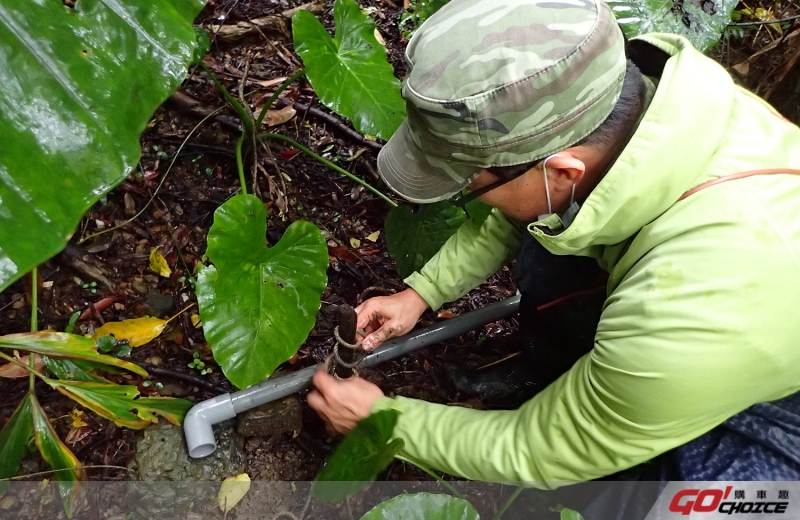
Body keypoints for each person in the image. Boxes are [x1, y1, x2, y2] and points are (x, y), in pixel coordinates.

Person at [307, 0, 800, 512]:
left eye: (469, 187)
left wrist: (384, 422)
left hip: (777, 408)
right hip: (711, 351)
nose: (473, 198)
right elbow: (524, 205)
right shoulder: (645, 116)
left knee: (665, 500)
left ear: (564, 170)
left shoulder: (690, 304)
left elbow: (543, 449)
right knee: (547, 244)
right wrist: (421, 293)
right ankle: (583, 387)